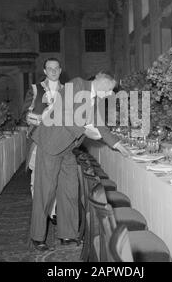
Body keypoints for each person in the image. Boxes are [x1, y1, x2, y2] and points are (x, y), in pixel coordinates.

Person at [30, 72, 131, 251]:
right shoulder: (77, 84)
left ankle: (67, 234)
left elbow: (100, 125)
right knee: (45, 192)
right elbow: (63, 114)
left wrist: (117, 144)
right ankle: (38, 236)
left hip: (68, 148)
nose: (109, 95)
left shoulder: (97, 99)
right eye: (108, 90)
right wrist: (85, 130)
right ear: (100, 83)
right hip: (50, 144)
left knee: (70, 190)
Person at [21, 57, 63, 221]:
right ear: (44, 71)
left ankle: (54, 212)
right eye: (49, 68)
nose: (53, 71)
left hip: (60, 142)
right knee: (38, 179)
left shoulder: (67, 90)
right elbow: (25, 114)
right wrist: (43, 118)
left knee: (57, 178)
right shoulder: (35, 89)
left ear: (60, 70)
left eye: (56, 68)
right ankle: (43, 213)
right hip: (39, 141)